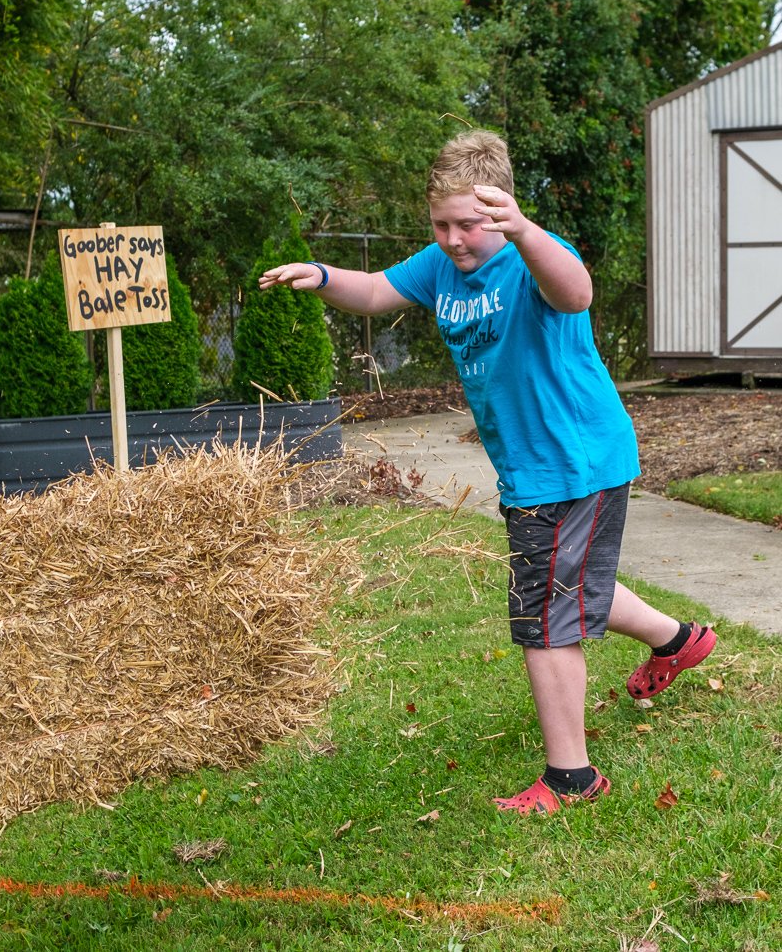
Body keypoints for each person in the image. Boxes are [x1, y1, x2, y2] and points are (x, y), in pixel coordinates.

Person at [258, 129, 716, 815]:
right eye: (440, 224)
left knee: (544, 610)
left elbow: (577, 292)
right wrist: (321, 276)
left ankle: (571, 777)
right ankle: (679, 641)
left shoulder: (533, 254)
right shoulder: (444, 264)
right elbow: (379, 289)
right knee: (571, 582)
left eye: (468, 224)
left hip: (571, 462)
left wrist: (525, 233)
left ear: (500, 208)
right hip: (540, 465)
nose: (452, 239)